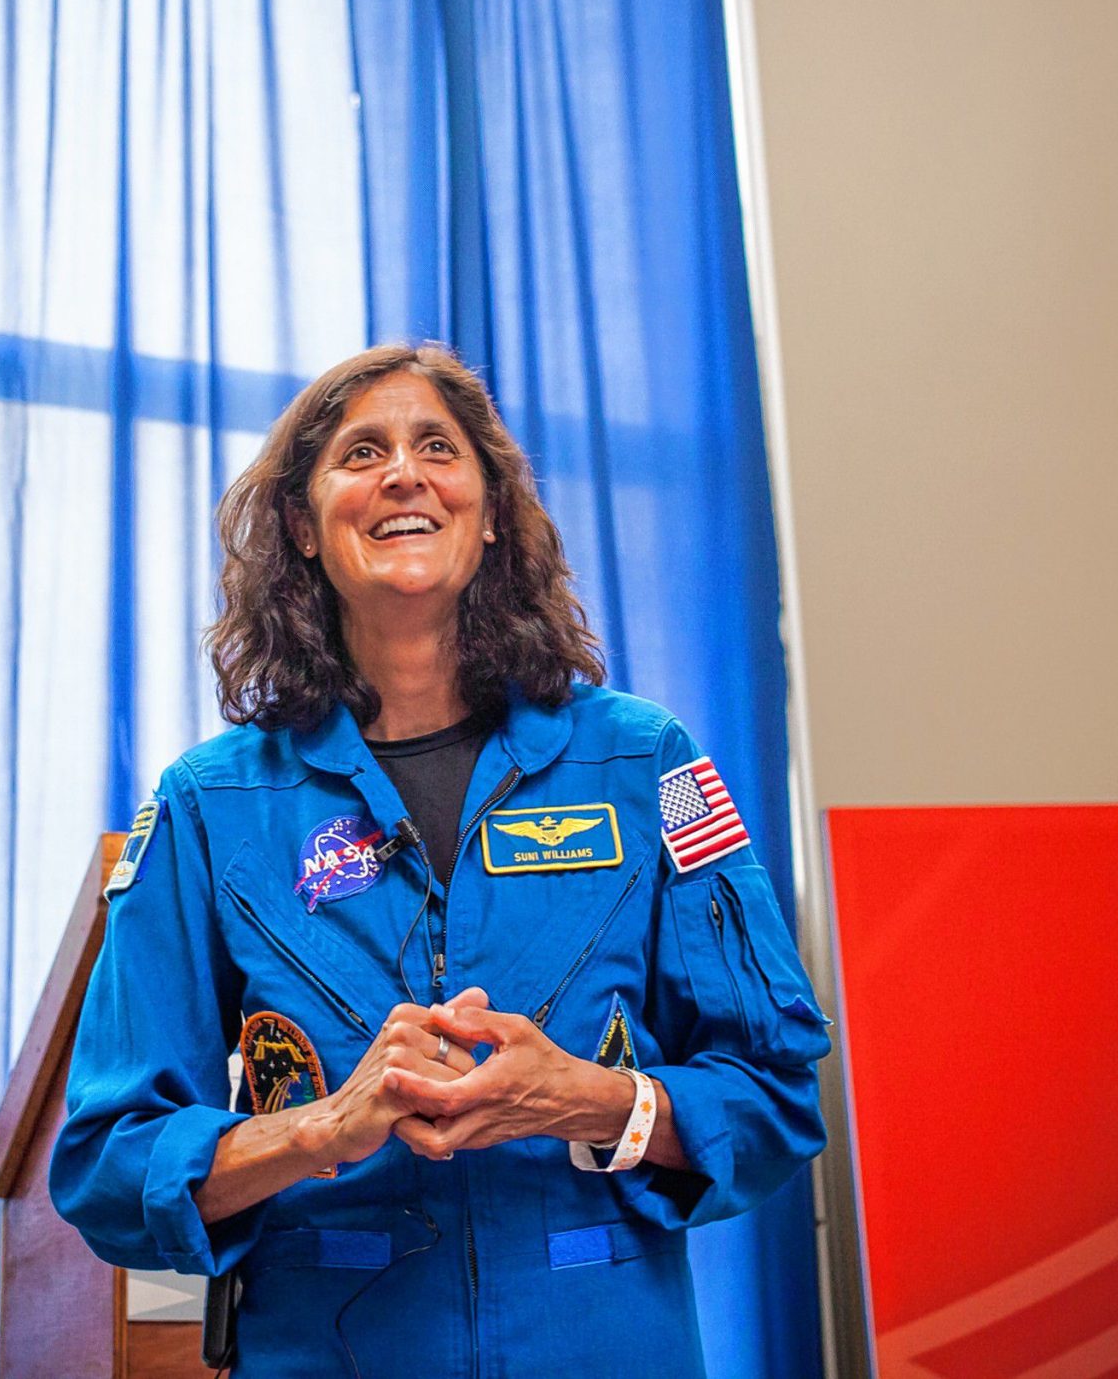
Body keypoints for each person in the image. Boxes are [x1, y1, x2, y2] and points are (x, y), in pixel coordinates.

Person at [50, 343, 829, 1377]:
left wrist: (589, 1099)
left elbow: (775, 1097)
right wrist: (324, 1129)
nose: (403, 474)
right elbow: (107, 1166)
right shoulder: (207, 804)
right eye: (361, 452)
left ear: (491, 507)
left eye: (436, 448)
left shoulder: (650, 763)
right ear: (301, 525)